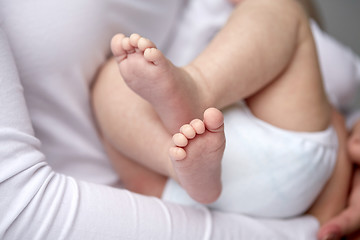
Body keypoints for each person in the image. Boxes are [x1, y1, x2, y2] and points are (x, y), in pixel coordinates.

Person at [0, 1, 359, 240]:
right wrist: (305, 231)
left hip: (168, 190)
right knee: (279, 8)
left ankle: (182, 160)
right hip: (290, 151)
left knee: (110, 83)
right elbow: (17, 211)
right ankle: (198, 90)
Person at [92, 0, 349, 226]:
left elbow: (339, 78)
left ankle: (196, 93)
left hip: (179, 190)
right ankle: (179, 155)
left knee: (108, 82)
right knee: (113, 76)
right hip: (287, 155)